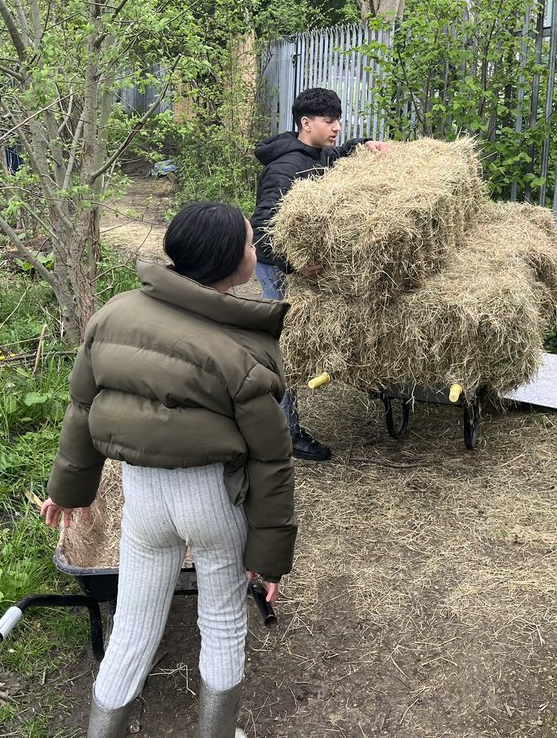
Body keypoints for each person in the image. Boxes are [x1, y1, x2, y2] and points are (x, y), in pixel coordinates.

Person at [41, 202, 296, 738]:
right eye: (251, 243)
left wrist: (69, 491)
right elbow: (271, 459)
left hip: (143, 498)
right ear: (234, 263)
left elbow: (82, 408)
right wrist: (269, 560)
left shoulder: (113, 315)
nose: (256, 251)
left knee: (132, 626)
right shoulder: (240, 347)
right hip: (211, 499)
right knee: (223, 622)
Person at [251, 87, 391, 461]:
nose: (337, 127)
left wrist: (363, 145)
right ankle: (287, 433)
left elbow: (334, 156)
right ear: (306, 122)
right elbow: (261, 234)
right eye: (330, 121)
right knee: (284, 347)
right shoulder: (284, 169)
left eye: (339, 120)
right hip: (279, 270)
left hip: (302, 269)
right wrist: (294, 266)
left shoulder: (316, 155)